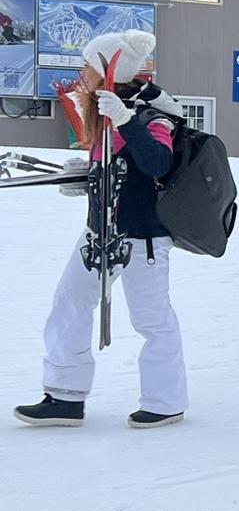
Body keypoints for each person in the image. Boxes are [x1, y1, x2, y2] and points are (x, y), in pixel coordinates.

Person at [13, 30, 188, 429]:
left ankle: (165, 402)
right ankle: (65, 397)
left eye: (88, 65)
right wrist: (85, 177)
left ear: (110, 73)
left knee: (151, 318)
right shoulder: (103, 113)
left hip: (142, 235)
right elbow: (116, 167)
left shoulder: (150, 116)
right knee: (69, 303)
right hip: (99, 231)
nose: (82, 72)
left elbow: (158, 163)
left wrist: (127, 120)